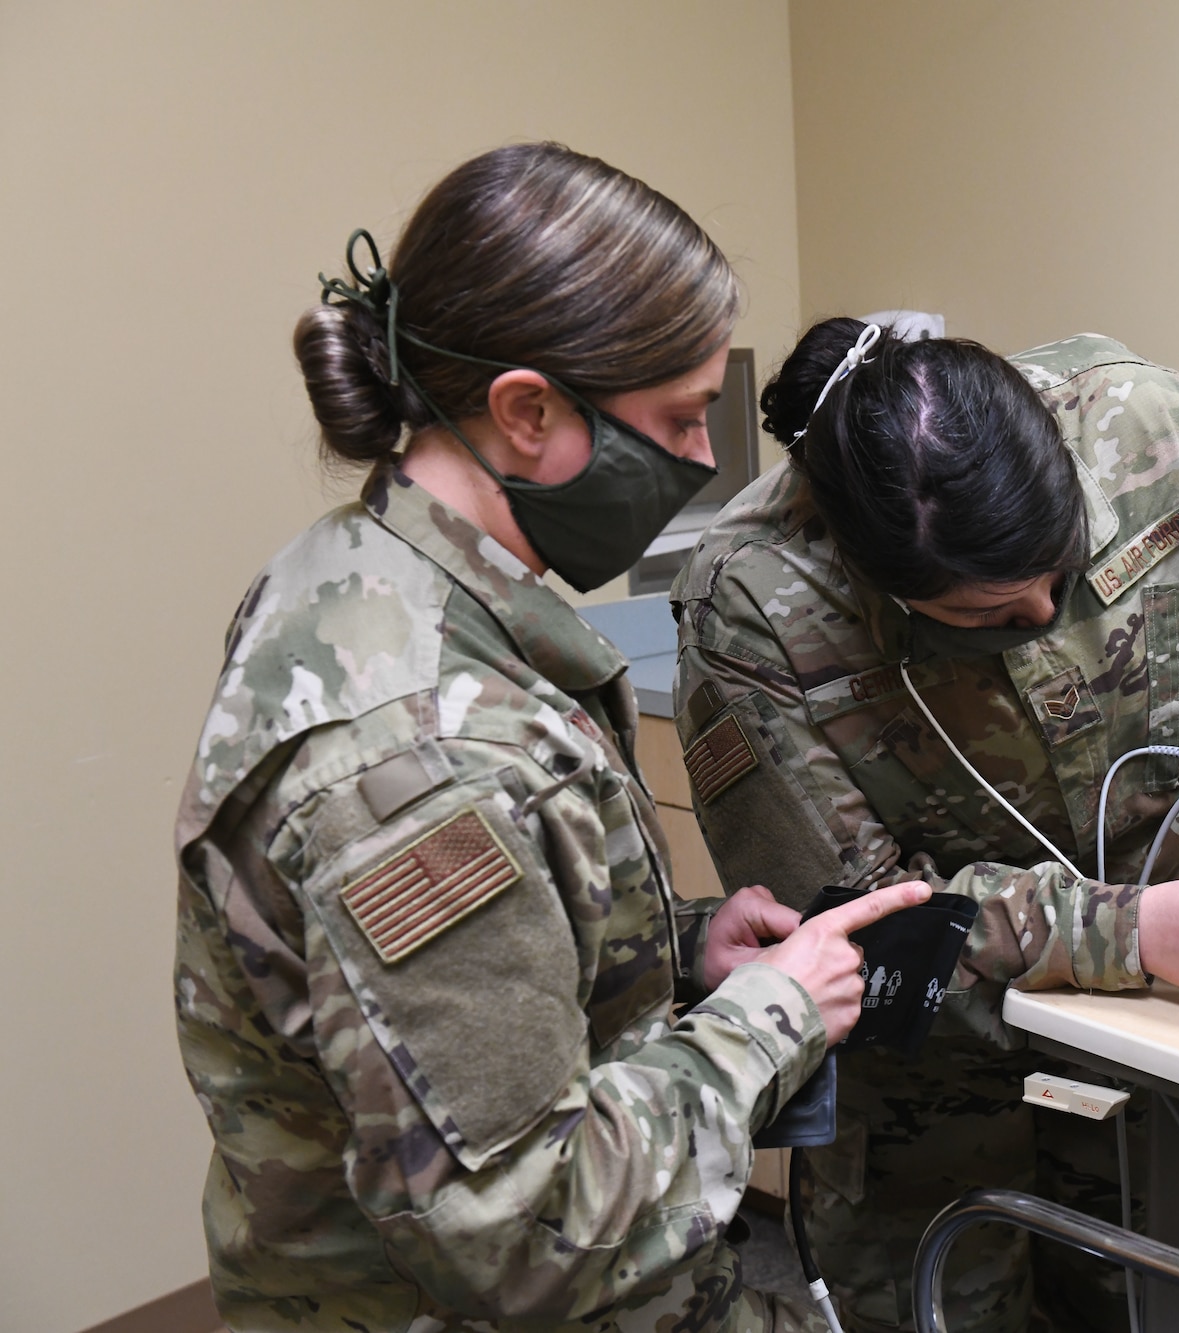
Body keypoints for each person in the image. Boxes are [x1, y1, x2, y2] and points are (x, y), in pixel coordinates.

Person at [172, 145, 927, 1333]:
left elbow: (464, 982)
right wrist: (773, 1014)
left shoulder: (372, 576)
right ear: (529, 412)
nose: (703, 458)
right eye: (679, 418)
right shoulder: (415, 761)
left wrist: (680, 952)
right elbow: (521, 1228)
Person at [670, 319, 1179, 1333]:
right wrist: (1129, 935)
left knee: (1168, 1311)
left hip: (1171, 1040)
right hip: (934, 1113)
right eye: (995, 614)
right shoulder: (754, 607)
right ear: (882, 588)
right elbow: (857, 937)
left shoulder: (1148, 426)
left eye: (1061, 569)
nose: (1048, 608)